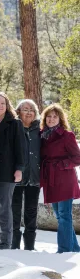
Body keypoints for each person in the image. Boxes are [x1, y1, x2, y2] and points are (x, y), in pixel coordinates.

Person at [39, 104, 80, 253]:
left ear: (60, 119)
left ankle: (64, 250)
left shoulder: (66, 135)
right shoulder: (42, 135)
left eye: (55, 117)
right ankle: (75, 248)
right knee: (59, 216)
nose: (51, 119)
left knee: (64, 215)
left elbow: (77, 158)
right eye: (48, 116)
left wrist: (61, 165)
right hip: (51, 180)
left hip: (65, 179)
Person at [0, 92, 25, 250]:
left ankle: (6, 241)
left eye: (2, 103)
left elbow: (20, 147)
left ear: (7, 105)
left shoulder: (14, 123)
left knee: (4, 207)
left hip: (7, 170)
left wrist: (19, 169)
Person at [12, 99, 41, 250]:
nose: (29, 112)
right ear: (18, 112)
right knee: (14, 211)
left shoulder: (40, 130)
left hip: (34, 177)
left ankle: (30, 246)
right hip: (16, 176)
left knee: (31, 211)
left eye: (31, 110)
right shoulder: (14, 127)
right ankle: (14, 244)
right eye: (25, 109)